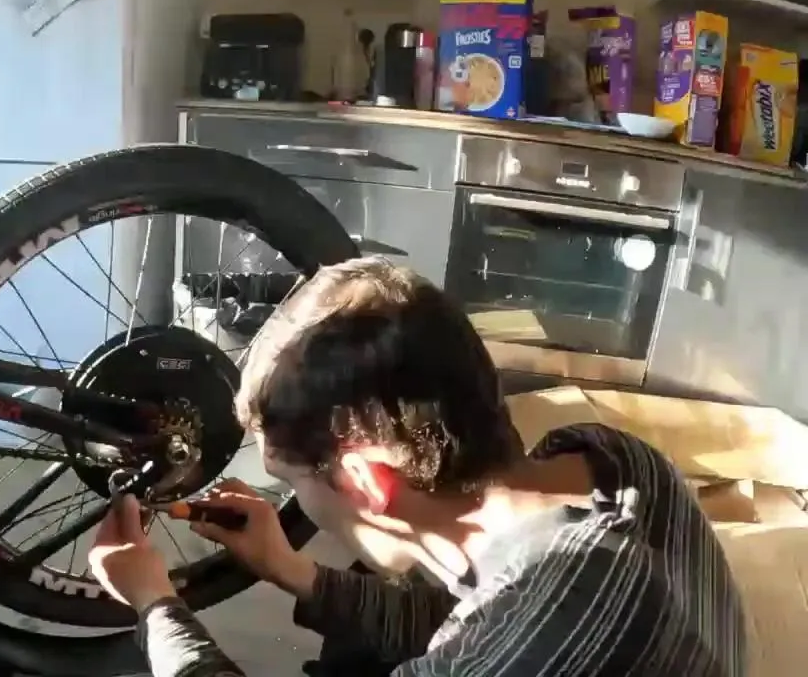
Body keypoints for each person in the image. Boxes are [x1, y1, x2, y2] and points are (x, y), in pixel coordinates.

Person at [88, 256, 747, 677]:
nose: (299, 507)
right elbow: (462, 618)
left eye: (293, 484)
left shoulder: (550, 628)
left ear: (366, 480)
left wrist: (156, 604)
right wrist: (290, 569)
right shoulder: (613, 458)